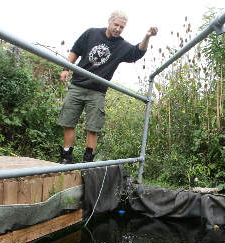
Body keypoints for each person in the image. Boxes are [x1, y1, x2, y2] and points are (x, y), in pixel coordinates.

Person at [58, 11, 158, 163]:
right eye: (116, 25)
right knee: (68, 122)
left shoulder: (122, 45)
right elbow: (75, 50)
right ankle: (66, 157)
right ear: (109, 22)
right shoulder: (91, 33)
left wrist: (147, 36)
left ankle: (87, 161)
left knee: (93, 127)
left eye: (121, 27)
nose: (118, 29)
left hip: (97, 91)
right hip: (77, 85)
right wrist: (66, 69)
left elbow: (137, 52)